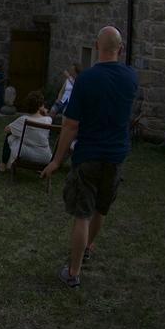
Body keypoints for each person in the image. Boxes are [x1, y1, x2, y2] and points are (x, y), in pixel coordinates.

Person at [40, 26, 138, 288]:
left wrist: (57, 160)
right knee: (100, 208)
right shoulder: (131, 77)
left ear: (96, 47)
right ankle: (87, 249)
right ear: (121, 48)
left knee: (82, 214)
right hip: (116, 156)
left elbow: (71, 125)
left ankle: (73, 272)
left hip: (90, 155)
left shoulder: (87, 79)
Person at [0, 91, 53, 172]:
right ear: (41, 106)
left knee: (10, 134)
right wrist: (44, 113)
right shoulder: (48, 120)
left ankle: (2, 166)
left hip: (26, 155)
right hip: (46, 157)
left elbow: (6, 129)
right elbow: (44, 118)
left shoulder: (23, 119)